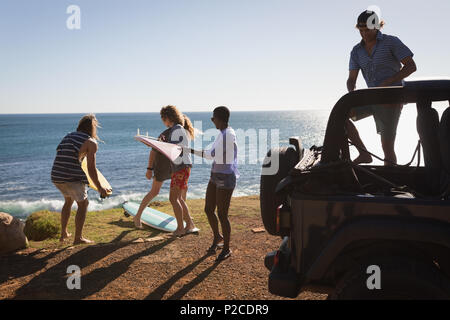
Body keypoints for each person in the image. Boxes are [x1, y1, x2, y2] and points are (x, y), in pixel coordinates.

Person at [347, 9, 417, 165]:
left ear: (377, 26)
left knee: (387, 148)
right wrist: (352, 94)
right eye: (361, 30)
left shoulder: (391, 42)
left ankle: (391, 185)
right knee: (340, 117)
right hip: (370, 98)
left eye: (367, 30)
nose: (364, 34)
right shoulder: (356, 51)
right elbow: (351, 79)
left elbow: (411, 66)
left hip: (391, 99)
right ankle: (364, 155)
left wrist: (389, 81)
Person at [51, 114, 110, 245]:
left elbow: (60, 152)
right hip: (71, 177)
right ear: (92, 127)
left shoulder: (69, 135)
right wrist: (100, 188)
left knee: (68, 200)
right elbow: (91, 169)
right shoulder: (91, 142)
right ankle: (78, 238)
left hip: (56, 175)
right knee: (83, 204)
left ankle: (63, 233)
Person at [191, 106, 239, 261]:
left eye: (213, 118)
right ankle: (218, 237)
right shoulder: (222, 134)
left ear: (220, 119)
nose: (212, 121)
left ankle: (226, 249)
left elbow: (211, 155)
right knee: (208, 209)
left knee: (222, 214)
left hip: (225, 177)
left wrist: (190, 151)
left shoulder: (228, 135)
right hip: (215, 175)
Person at [160, 106, 198, 237]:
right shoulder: (180, 129)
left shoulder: (176, 129)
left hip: (180, 166)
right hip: (184, 166)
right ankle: (190, 225)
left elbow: (174, 149)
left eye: (163, 119)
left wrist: (160, 145)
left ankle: (181, 228)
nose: (163, 122)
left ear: (168, 118)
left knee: (173, 198)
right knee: (180, 198)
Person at [133, 127, 173, 229]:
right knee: (154, 191)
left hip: (174, 167)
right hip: (162, 167)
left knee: (181, 191)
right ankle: (137, 216)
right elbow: (153, 151)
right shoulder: (165, 134)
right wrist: (149, 169)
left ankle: (183, 216)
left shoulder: (181, 134)